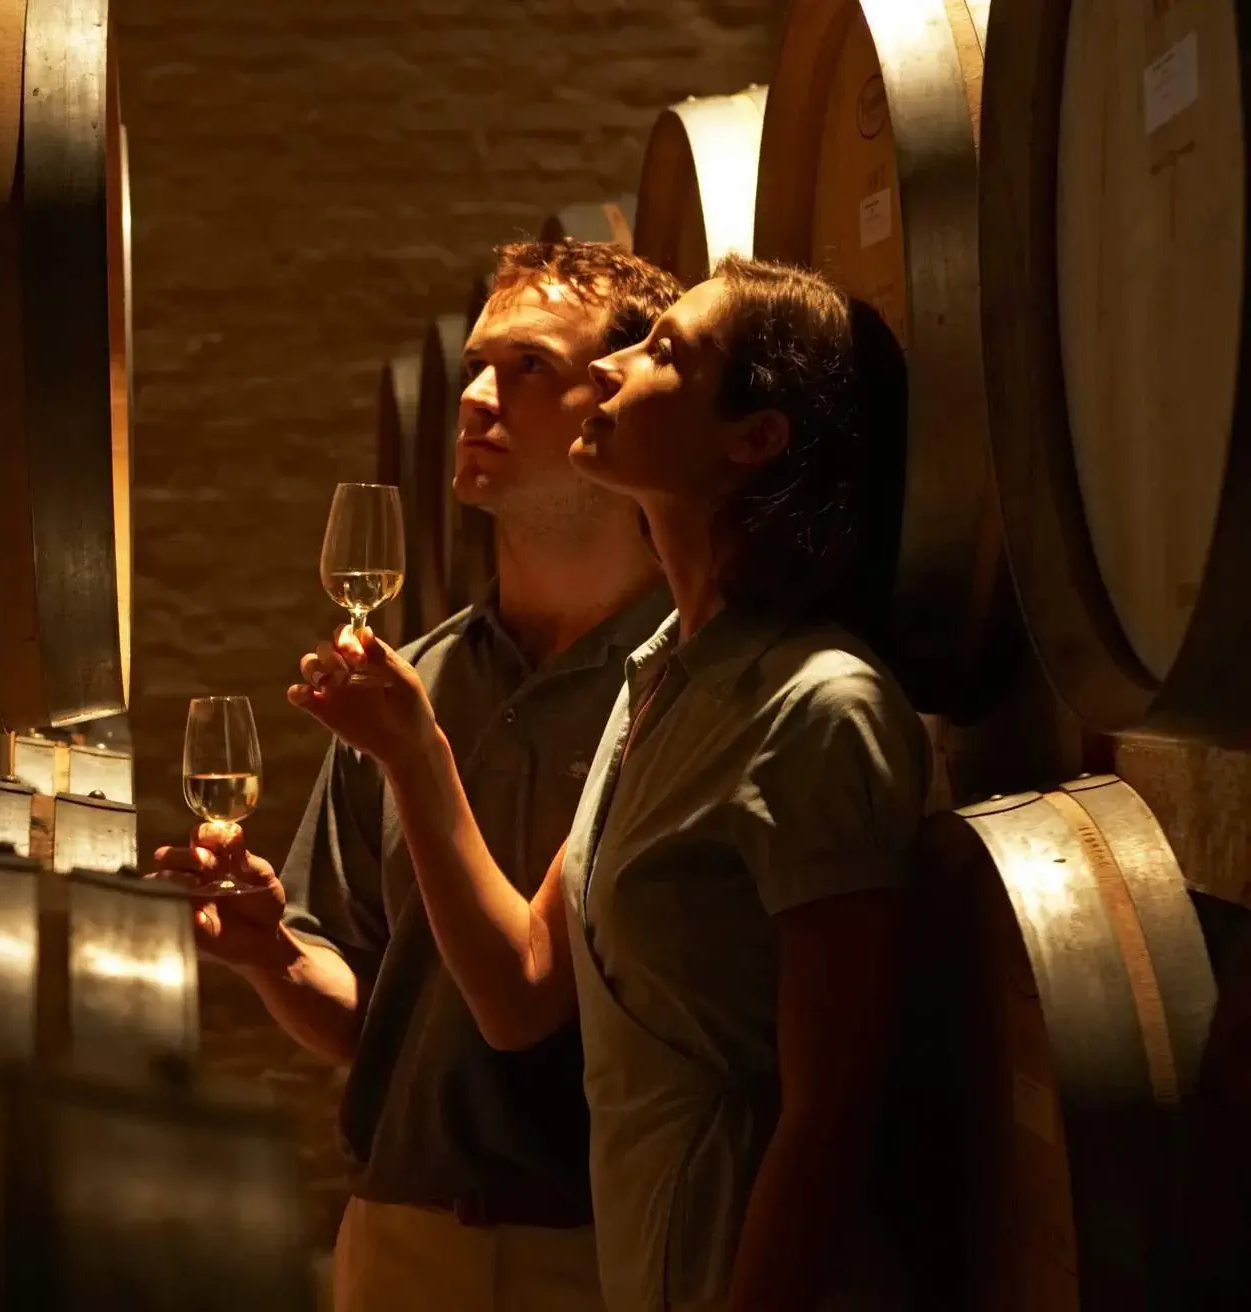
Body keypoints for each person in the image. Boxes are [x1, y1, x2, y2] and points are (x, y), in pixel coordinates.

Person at [290, 257, 925, 1312]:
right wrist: (410, 758)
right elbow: (523, 982)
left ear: (754, 440)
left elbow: (831, 1114)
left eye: (666, 350)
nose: (622, 365)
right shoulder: (658, 680)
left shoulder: (822, 705)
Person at [154, 240, 681, 1312]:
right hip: (396, 1240)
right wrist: (272, 957)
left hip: (595, 1251)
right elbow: (370, 1007)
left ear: (618, 402)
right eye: (479, 365)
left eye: (529, 367)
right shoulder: (425, 674)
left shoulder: (677, 681)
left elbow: (528, 1000)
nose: (477, 397)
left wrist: (415, 755)